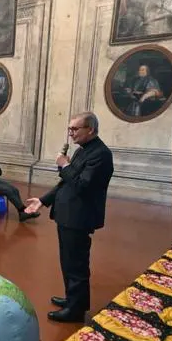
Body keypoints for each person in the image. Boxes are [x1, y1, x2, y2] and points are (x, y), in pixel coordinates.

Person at [25, 113, 114, 323]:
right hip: (68, 215)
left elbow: (82, 184)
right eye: (70, 128)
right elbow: (66, 183)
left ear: (90, 129)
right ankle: (73, 299)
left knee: (77, 264)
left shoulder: (101, 154)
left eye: (75, 129)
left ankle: (76, 311)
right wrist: (43, 200)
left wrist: (64, 166)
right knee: (68, 261)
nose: (70, 133)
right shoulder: (82, 151)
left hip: (79, 217)